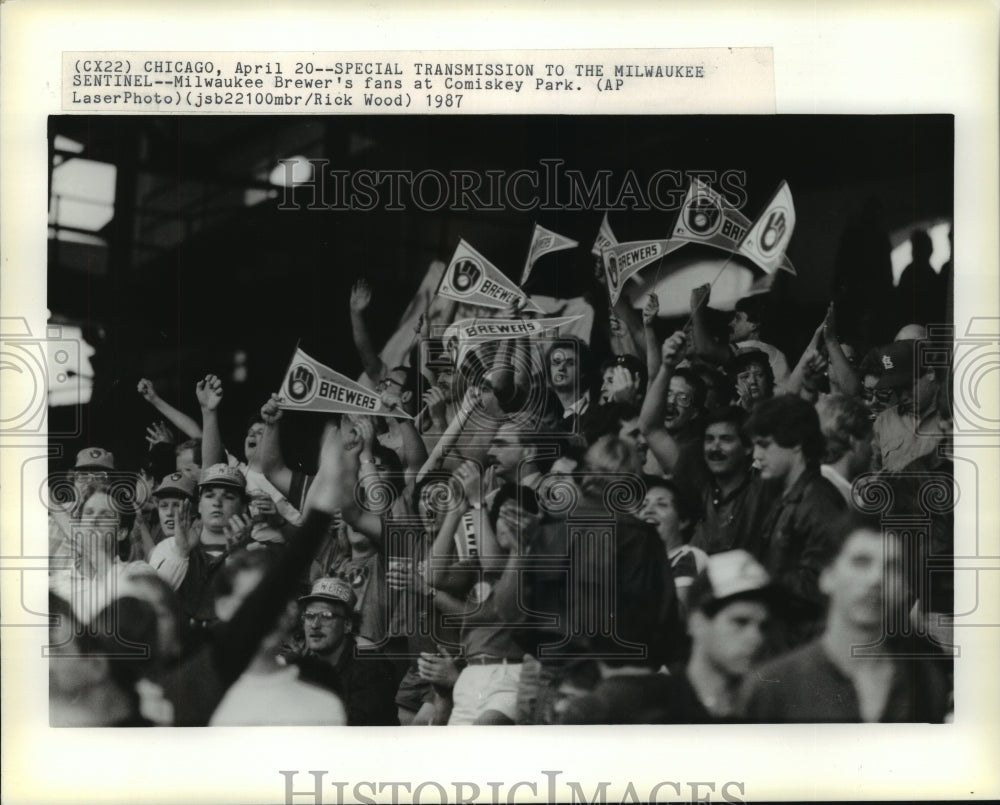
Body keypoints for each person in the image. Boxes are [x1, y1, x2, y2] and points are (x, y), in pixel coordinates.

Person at [741, 513, 951, 722]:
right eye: (861, 562)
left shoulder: (925, 683)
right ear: (827, 575)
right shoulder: (774, 687)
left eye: (893, 567)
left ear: (906, 588)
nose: (876, 579)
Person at [558, 550, 776, 724]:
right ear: (697, 622)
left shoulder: (769, 708)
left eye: (765, 626)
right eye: (740, 622)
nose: (756, 637)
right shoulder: (632, 708)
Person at [745, 395, 846, 619]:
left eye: (764, 445)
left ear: (797, 443)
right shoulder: (784, 494)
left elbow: (820, 586)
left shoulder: (819, 502)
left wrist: (757, 582)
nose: (756, 455)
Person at [148, 463, 252, 626]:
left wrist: (237, 557)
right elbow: (152, 600)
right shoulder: (169, 546)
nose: (217, 502)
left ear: (244, 507)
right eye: (209, 495)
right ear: (199, 505)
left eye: (228, 497)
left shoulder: (258, 551)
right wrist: (181, 552)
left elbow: (250, 614)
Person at [291, 576, 399, 725]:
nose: (315, 625)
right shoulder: (304, 666)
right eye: (309, 616)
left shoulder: (372, 670)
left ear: (348, 625)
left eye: (326, 616)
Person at [687, 407, 778, 556]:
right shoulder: (697, 492)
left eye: (726, 439)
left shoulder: (763, 493)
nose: (715, 448)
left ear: (748, 447)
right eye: (709, 439)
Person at [869, 340, 945, 472]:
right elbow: (872, 473)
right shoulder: (884, 422)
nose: (903, 397)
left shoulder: (954, 418)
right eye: (897, 390)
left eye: (908, 386)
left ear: (930, 373)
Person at [816, 394, 874, 503]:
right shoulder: (849, 502)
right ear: (854, 442)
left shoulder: (810, 482)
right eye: (870, 440)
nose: (872, 451)